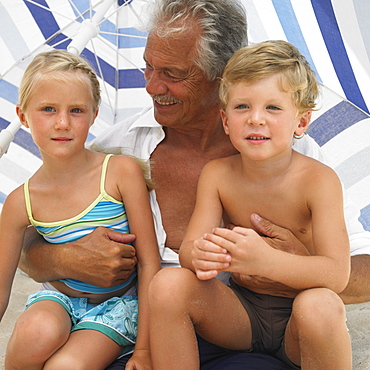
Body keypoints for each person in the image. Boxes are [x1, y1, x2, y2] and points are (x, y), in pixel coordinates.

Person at [18, 0, 370, 368]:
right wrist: (61, 257)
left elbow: (360, 269)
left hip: (253, 334)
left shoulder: (300, 157)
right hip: (154, 330)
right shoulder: (119, 147)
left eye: (173, 73)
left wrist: (289, 266)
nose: (153, 86)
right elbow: (30, 232)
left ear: (222, 77)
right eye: (148, 67)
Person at [148, 40, 352, 370]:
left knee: (321, 305)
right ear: (226, 121)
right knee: (169, 284)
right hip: (242, 315)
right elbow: (190, 249)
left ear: (300, 122)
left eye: (273, 108)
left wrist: (265, 261)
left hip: (299, 325)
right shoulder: (217, 175)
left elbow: (336, 274)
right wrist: (200, 255)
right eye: (242, 107)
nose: (256, 119)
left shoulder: (319, 180)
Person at [2, 50, 160, 369]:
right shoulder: (21, 201)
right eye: (48, 109)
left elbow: (149, 263)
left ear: (93, 114)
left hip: (119, 307)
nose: (63, 123)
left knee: (67, 367)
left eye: (76, 110)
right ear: (22, 116)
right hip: (59, 300)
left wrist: (144, 349)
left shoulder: (120, 173)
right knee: (35, 332)